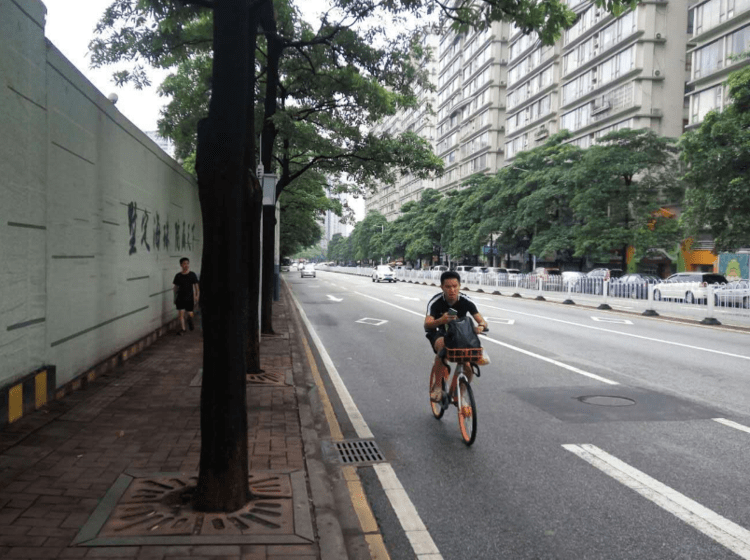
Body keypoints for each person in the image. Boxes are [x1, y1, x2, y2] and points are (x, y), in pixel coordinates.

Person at [424, 271, 488, 401]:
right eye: (448, 287)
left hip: (460, 335)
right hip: (439, 332)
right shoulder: (435, 302)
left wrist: (480, 327)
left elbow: (482, 321)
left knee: (468, 366)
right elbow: (427, 324)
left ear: (459, 286)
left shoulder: (466, 301)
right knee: (442, 351)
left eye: (455, 286)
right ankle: (437, 387)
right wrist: (441, 320)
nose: (452, 290)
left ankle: (460, 394)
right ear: (442, 287)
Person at [173, 257, 200, 335]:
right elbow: (175, 288)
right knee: (181, 314)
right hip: (180, 298)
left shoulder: (192, 275)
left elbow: (196, 287)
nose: (186, 265)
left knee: (190, 313)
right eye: (184, 264)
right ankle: (183, 329)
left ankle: (190, 319)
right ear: (181, 265)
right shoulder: (178, 276)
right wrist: (174, 298)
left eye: (187, 263)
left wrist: (197, 295)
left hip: (189, 298)